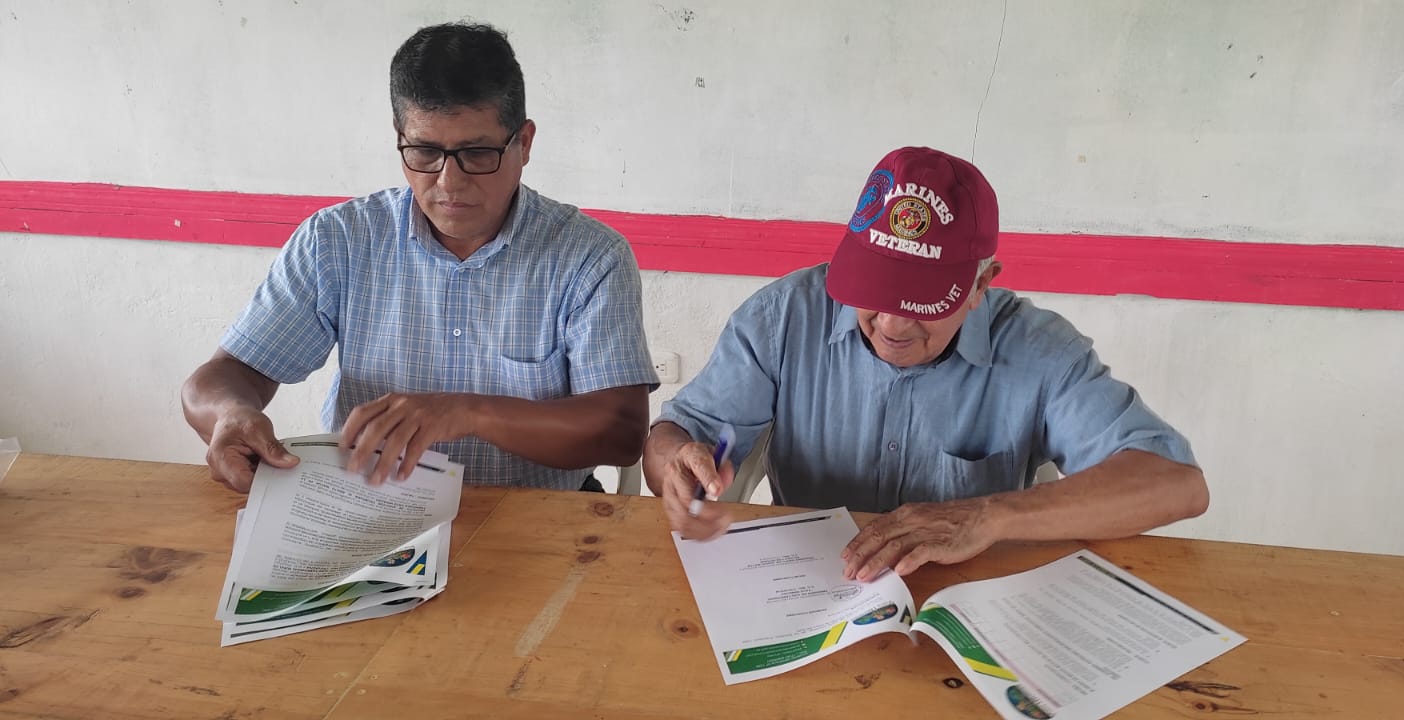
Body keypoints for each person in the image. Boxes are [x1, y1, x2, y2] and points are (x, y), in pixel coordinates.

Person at [644, 146, 1207, 580]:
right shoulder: (784, 317)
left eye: (922, 304)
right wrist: (679, 464)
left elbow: (1176, 484)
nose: (891, 326)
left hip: (968, 599)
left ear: (980, 285)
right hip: (808, 587)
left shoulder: (1039, 350)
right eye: (874, 291)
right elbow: (677, 438)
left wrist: (991, 515)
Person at [182, 22, 657, 492]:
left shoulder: (588, 257)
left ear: (524, 143)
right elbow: (222, 378)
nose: (449, 182)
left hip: (536, 514)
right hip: (372, 508)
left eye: (477, 153)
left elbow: (622, 433)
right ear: (399, 139)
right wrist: (229, 413)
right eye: (425, 152)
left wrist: (470, 413)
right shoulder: (338, 241)